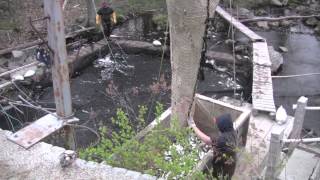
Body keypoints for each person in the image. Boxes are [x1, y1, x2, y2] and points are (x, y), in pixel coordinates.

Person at [188, 113, 237, 180]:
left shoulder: (222, 139)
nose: (217, 126)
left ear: (223, 126)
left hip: (223, 168)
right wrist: (212, 146)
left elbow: (207, 140)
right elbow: (220, 146)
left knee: (219, 177)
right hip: (231, 165)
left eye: (218, 125)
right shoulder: (232, 132)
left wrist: (193, 126)